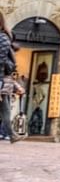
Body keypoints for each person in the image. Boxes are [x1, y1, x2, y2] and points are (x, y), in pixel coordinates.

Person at [0, 13, 19, 144]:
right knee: (4, 108)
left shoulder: (3, 38)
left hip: (0, 78)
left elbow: (0, 61)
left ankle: (11, 134)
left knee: (5, 108)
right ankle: (12, 135)